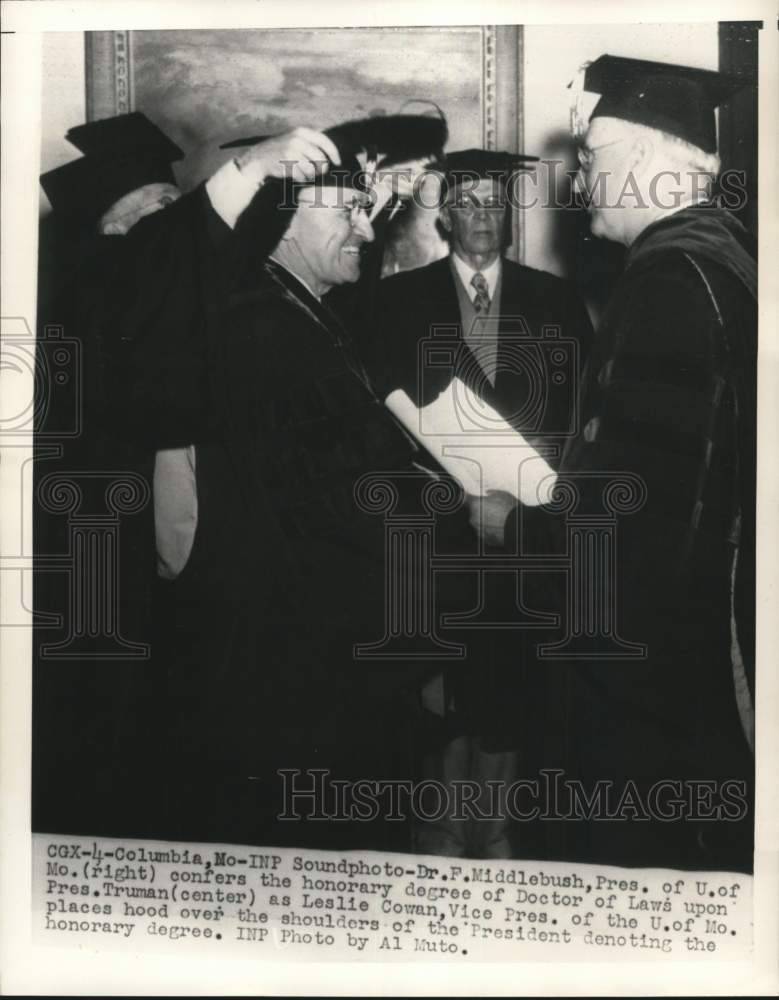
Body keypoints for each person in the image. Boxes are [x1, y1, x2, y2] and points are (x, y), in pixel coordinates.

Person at [473, 55, 756, 871]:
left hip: (648, 672)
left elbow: (631, 525)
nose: (579, 183)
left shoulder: (667, 285)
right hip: (705, 641)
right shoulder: (729, 268)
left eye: (592, 159)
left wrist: (512, 526)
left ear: (644, 160)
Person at [149, 115, 459, 849]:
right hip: (297, 672)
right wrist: (455, 510)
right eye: (346, 208)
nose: (366, 225)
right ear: (283, 218)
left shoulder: (304, 313)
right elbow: (344, 505)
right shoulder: (267, 329)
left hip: (308, 661)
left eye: (367, 207)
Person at [370, 148, 594, 858]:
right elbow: (380, 426)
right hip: (435, 536)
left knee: (509, 682)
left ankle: (494, 829)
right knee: (438, 685)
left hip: (522, 532)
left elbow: (584, 421)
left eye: (493, 204)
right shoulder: (397, 304)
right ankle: (436, 828)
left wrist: (541, 498)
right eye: (465, 204)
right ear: (442, 218)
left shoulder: (553, 301)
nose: (482, 218)